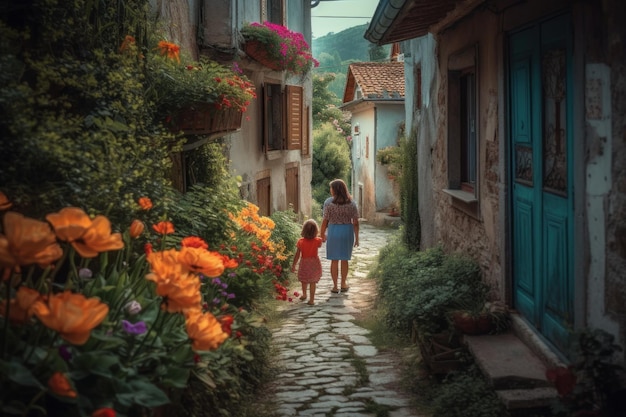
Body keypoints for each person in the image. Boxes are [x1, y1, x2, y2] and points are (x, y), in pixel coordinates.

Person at [320, 179, 359, 294]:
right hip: (347, 231)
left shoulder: (328, 203)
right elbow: (356, 222)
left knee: (334, 260)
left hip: (333, 231)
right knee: (345, 259)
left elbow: (325, 220)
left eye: (331, 188)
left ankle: (335, 286)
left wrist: (322, 233)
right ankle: (343, 284)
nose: (330, 190)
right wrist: (357, 238)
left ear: (335, 189)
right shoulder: (352, 203)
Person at [291, 219, 323, 305]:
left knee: (304, 280)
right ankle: (312, 300)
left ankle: (304, 294)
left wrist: (294, 265)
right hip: (314, 263)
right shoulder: (317, 241)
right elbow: (321, 243)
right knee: (313, 281)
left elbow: (297, 255)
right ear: (316, 231)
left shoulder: (300, 242)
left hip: (304, 263)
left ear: (303, 230)